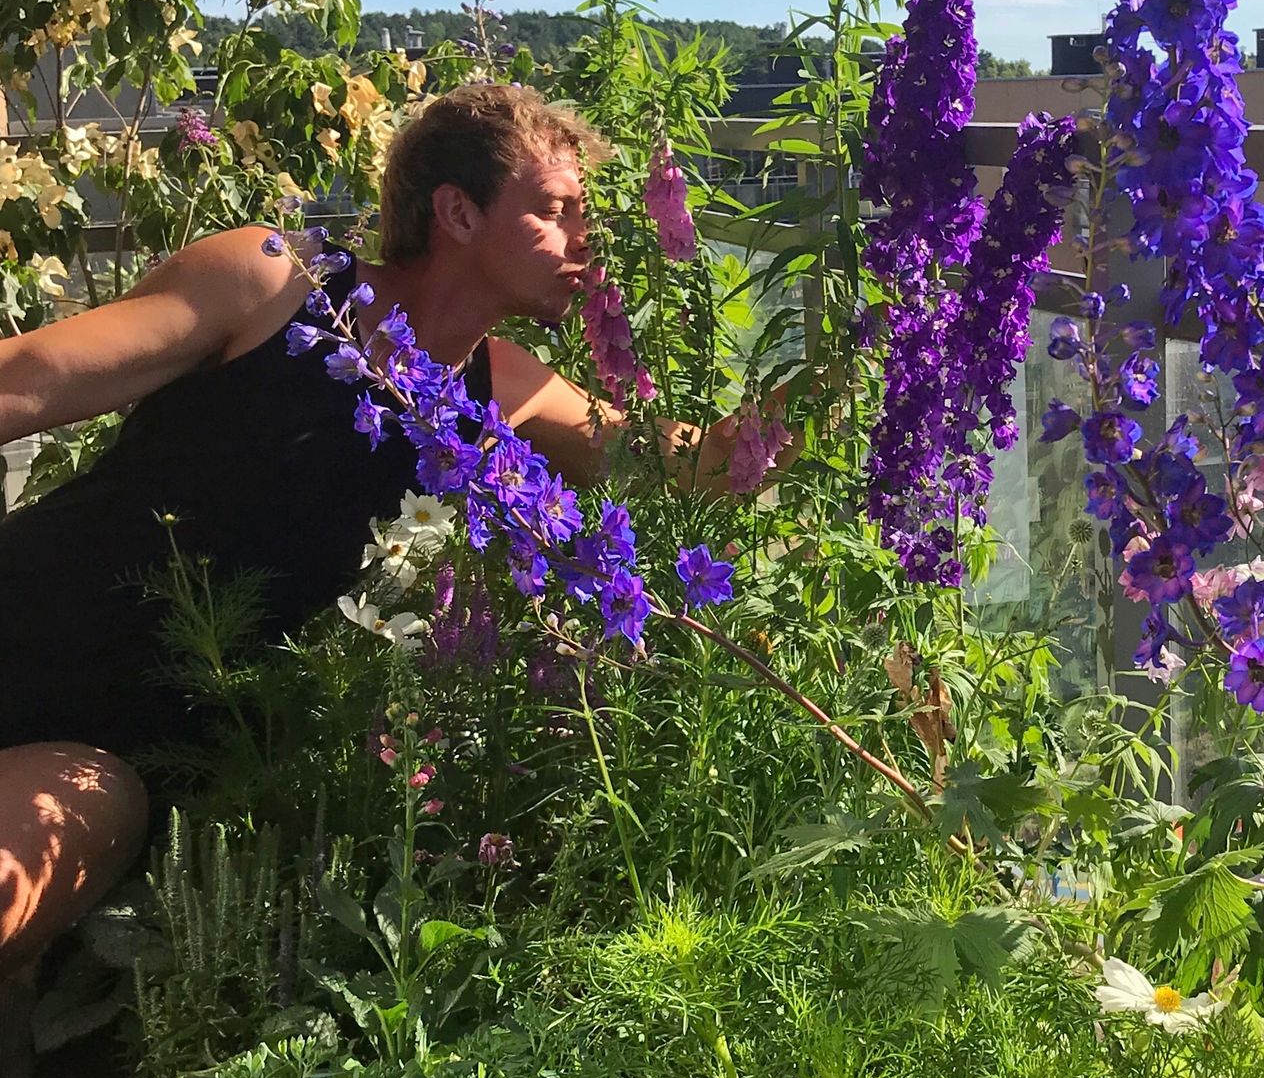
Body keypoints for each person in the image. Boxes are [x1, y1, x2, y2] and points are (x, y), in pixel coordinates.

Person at [0, 80, 752, 979]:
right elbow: (31, 379)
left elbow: (696, 468)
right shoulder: (274, 279)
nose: (586, 242)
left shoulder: (504, 388)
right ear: (458, 213)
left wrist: (868, 339)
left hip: (108, 753)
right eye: (555, 211)